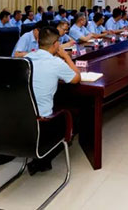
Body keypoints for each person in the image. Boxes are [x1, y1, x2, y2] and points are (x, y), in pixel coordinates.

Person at [24, 27, 80, 175]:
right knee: (76, 115)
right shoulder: (55, 62)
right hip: (43, 122)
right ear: (56, 44)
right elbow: (76, 78)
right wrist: (66, 57)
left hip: (21, 119)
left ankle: (41, 159)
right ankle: (43, 159)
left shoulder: (25, 59)